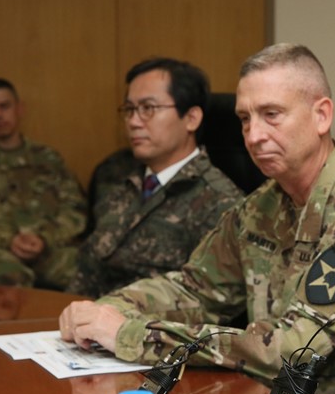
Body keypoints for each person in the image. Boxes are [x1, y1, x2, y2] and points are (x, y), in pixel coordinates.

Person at [59, 43, 335, 394]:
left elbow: (291, 352)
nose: (253, 136)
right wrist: (110, 309)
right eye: (244, 119)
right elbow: (196, 289)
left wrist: (131, 334)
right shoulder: (262, 205)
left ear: (321, 115)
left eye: (271, 114)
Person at [67, 58, 243, 298]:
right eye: (130, 109)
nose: (133, 121)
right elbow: (85, 271)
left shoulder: (219, 203)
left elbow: (209, 302)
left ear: (191, 118)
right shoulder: (118, 184)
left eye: (148, 108)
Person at [0, 78, 86, 289]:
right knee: (7, 275)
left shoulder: (47, 158)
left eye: (4, 106)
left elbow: (75, 209)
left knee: (86, 268)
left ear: (19, 109)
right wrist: (6, 239)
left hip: (48, 248)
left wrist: (44, 238)